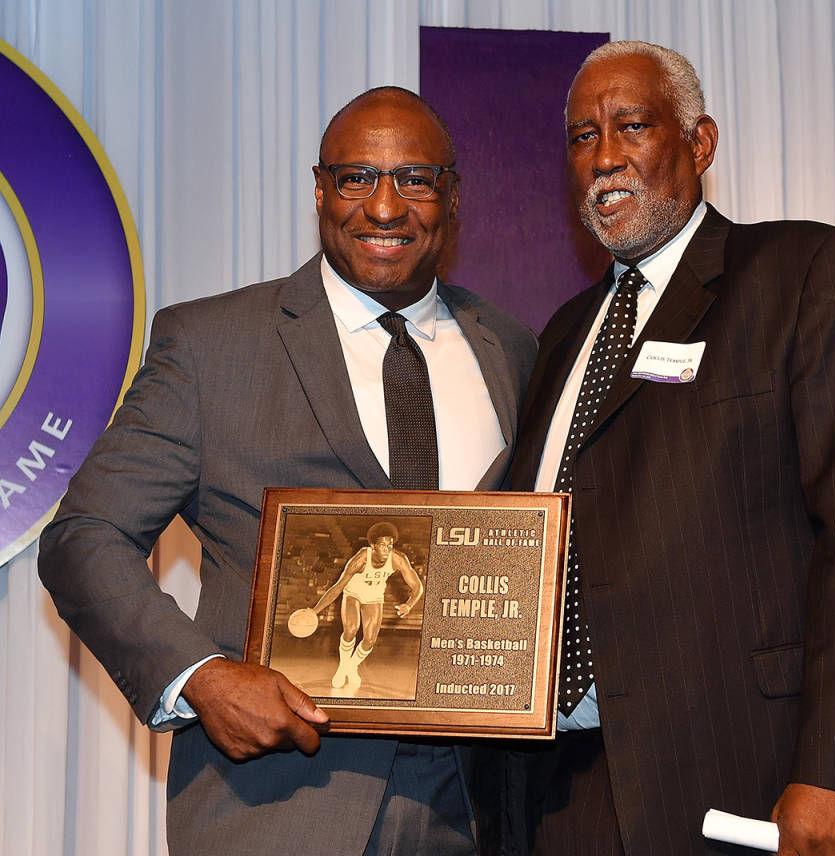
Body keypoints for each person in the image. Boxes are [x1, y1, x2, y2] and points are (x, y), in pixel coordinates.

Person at [38, 86, 536, 855]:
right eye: (356, 177)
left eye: (414, 179)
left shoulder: (515, 349)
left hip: (478, 808)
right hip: (278, 805)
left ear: (452, 194)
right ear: (318, 189)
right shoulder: (211, 346)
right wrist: (201, 676)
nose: (384, 206)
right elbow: (84, 535)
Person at [504, 41, 835, 856]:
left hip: (748, 779)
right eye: (582, 137)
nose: (605, 158)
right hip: (566, 795)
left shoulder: (806, 272)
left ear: (699, 144)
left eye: (631, 126)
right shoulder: (561, 337)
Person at [309, 521, 423, 694]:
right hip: (352, 593)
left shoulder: (398, 559)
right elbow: (338, 587)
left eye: (390, 545)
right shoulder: (361, 558)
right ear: (372, 545)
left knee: (370, 640)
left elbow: (417, 587)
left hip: (374, 596)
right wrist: (315, 611)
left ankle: (350, 668)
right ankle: (342, 669)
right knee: (351, 629)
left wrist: (409, 604)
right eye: (383, 545)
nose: (387, 549)